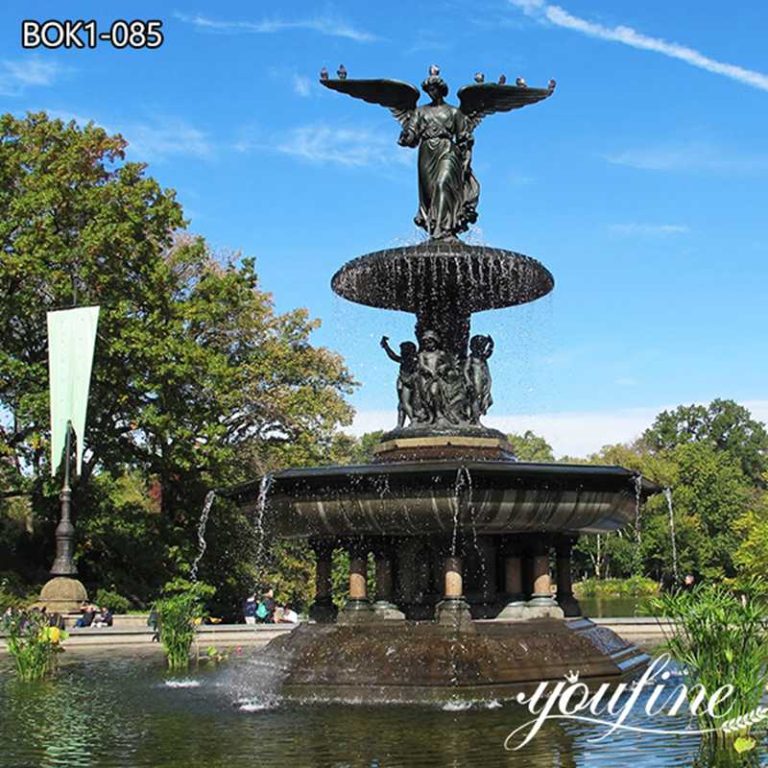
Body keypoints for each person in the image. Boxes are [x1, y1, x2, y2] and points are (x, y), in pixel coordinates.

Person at [398, 72, 479, 240]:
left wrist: (467, 159)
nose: (431, 92)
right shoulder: (420, 112)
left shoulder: (454, 112)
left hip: (447, 150)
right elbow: (412, 135)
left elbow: (464, 137)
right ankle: (434, 225)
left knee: (443, 184)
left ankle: (444, 230)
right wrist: (406, 137)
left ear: (441, 90)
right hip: (427, 152)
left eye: (434, 89)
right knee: (430, 192)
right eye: (429, 90)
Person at [380, 336, 420, 427]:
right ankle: (400, 425)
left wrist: (386, 346)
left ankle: (414, 421)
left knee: (405, 403)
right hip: (402, 382)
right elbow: (392, 356)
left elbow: (393, 356)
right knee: (401, 404)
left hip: (408, 383)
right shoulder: (406, 360)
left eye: (403, 350)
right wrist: (386, 346)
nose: (401, 352)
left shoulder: (413, 361)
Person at [465, 334, 494, 421]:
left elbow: (489, 352)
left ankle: (478, 415)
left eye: (483, 347)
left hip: (484, 378)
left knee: (488, 399)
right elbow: (465, 370)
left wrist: (491, 344)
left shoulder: (483, 358)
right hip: (475, 379)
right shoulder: (471, 357)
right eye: (481, 346)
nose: (483, 349)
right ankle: (475, 419)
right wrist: (468, 380)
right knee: (476, 398)